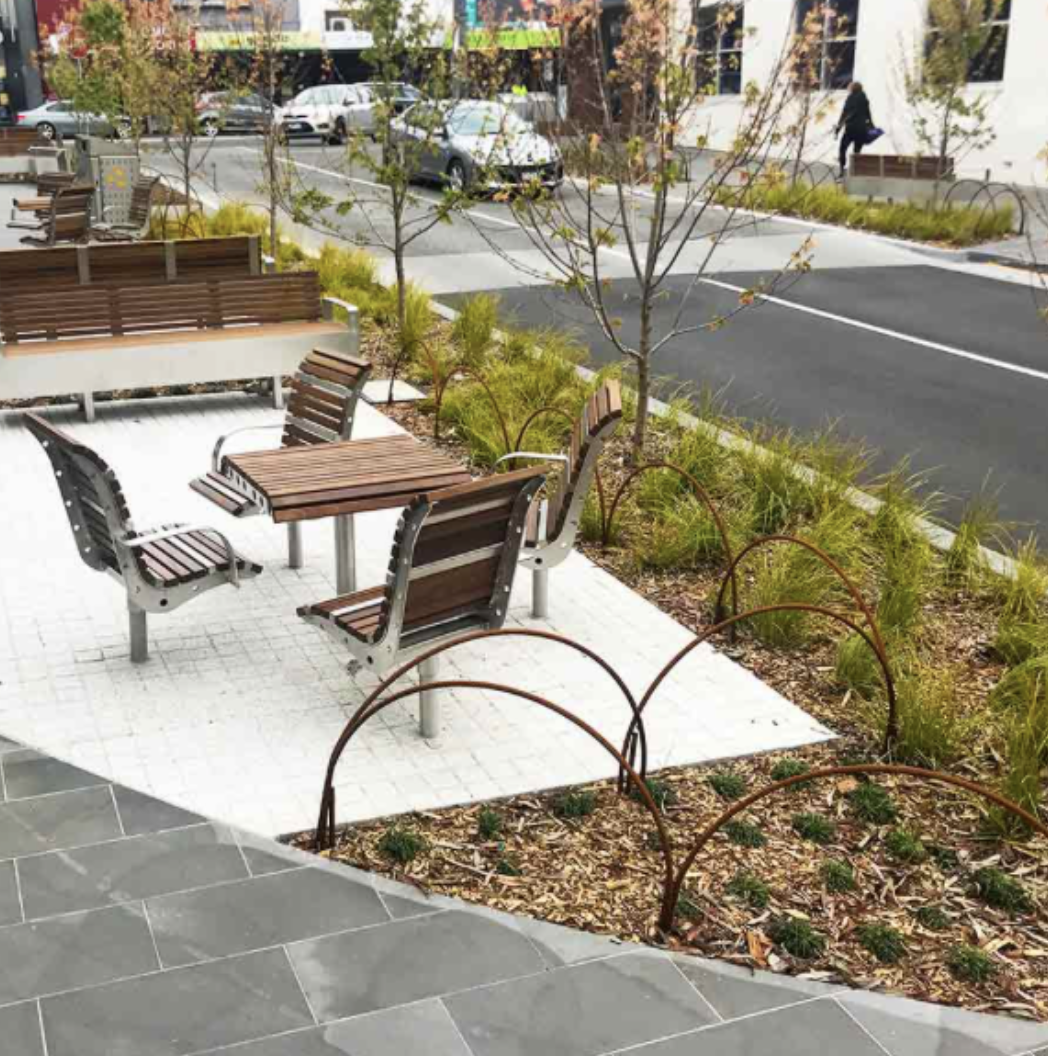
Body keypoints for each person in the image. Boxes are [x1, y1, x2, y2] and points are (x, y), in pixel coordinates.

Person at [835, 81, 873, 179]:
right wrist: (871, 126)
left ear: (852, 88)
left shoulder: (850, 99)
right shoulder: (864, 99)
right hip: (861, 130)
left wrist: (838, 127)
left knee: (842, 149)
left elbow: (844, 114)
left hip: (850, 129)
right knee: (857, 152)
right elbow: (868, 115)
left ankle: (842, 171)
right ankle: (855, 173)